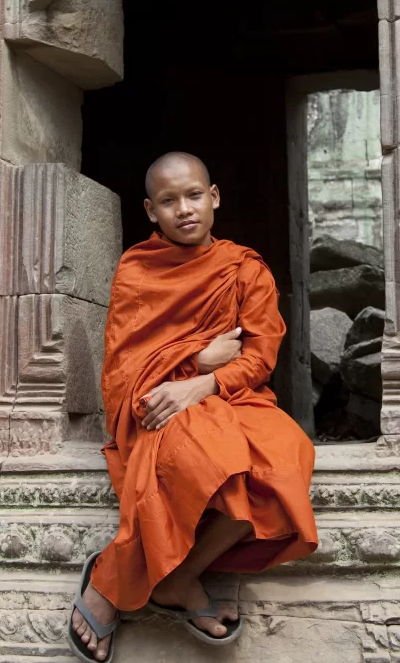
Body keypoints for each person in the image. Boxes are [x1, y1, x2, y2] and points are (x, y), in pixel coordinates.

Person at [68, 152, 318, 662]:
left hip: (233, 397)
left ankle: (178, 579)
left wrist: (202, 384)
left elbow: (260, 360)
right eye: (168, 200)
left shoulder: (246, 270)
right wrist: (196, 360)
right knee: (214, 462)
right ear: (150, 210)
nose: (184, 209)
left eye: (194, 195)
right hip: (156, 405)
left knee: (286, 460)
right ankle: (112, 585)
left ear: (214, 197)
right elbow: (122, 368)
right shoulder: (138, 271)